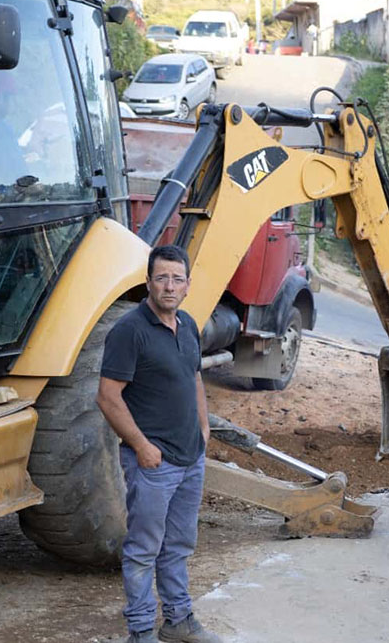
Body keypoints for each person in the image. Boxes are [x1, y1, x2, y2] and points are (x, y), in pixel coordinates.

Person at [96, 245, 222, 643]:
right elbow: (108, 397)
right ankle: (140, 631)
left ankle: (178, 620)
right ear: (148, 282)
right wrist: (141, 446)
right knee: (142, 550)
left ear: (187, 285)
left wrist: (203, 428)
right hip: (154, 464)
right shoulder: (129, 331)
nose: (169, 286)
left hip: (190, 459)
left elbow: (194, 378)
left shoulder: (187, 325)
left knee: (179, 545)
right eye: (162, 278)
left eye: (177, 279)